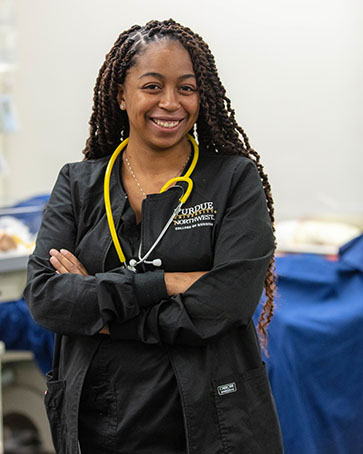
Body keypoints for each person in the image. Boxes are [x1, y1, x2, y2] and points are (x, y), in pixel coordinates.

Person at [24, 19, 283, 454]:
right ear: (121, 95)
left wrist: (99, 311)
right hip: (97, 423)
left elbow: (227, 302)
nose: (170, 102)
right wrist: (165, 283)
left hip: (211, 426)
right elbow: (46, 298)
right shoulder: (78, 184)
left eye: (186, 87)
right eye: (152, 86)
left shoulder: (234, 180)